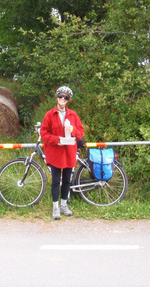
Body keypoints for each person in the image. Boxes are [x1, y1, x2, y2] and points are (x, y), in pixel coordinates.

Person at [40, 86, 85, 220]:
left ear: (68, 100)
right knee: (55, 180)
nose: (62, 99)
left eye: (65, 97)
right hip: (55, 152)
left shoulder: (73, 115)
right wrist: (56, 140)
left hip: (69, 152)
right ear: (57, 97)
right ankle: (55, 207)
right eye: (60, 96)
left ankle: (64, 205)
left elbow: (80, 133)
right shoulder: (49, 114)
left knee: (67, 180)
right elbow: (44, 133)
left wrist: (73, 130)